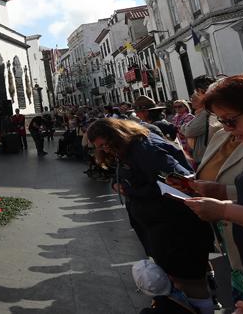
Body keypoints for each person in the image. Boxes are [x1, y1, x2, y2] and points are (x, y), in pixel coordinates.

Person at [87, 118, 214, 313]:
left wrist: (132, 191)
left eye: (105, 144)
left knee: (190, 282)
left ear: (117, 135)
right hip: (161, 226)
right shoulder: (128, 148)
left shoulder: (146, 150)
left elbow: (178, 181)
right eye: (100, 147)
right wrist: (117, 182)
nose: (105, 150)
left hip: (176, 227)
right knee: (181, 279)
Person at [180, 75, 243, 303]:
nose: (228, 128)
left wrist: (223, 207)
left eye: (230, 120)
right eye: (221, 120)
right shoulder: (222, 134)